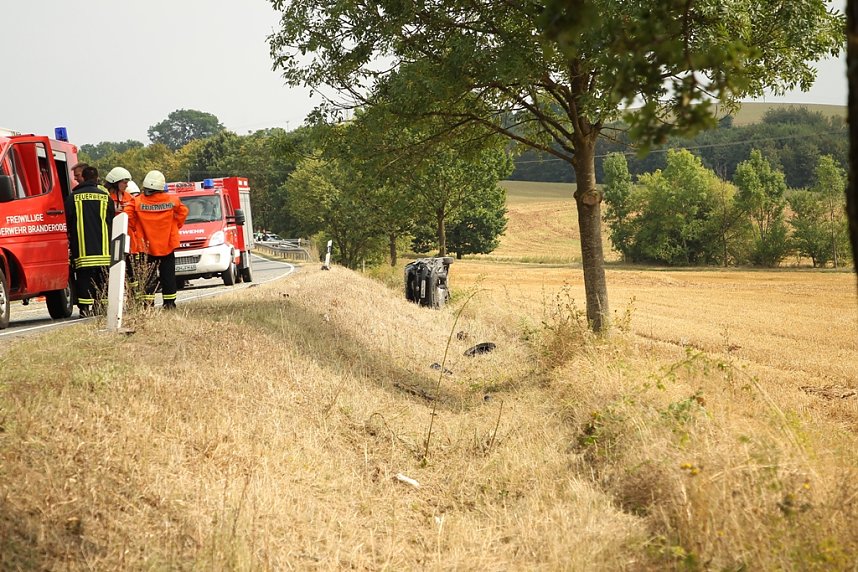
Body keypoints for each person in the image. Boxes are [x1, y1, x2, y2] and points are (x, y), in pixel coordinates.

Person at [125, 170, 188, 309]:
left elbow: (127, 218)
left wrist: (137, 228)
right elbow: (183, 213)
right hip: (167, 245)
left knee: (148, 276)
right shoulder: (172, 201)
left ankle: (148, 304)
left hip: (146, 247)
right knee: (168, 275)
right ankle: (169, 303)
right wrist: (174, 226)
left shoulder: (137, 202)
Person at [64, 165, 115, 317]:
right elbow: (111, 220)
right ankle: (102, 306)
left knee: (83, 278)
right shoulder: (105, 197)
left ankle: (85, 309)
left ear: (84, 178)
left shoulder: (73, 198)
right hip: (104, 249)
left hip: (82, 248)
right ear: (97, 178)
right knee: (103, 278)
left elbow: (67, 220)